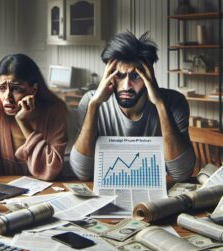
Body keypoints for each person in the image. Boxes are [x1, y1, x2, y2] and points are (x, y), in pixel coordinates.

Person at [70, 31, 195, 181]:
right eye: (119, 75)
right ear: (107, 76)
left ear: (149, 76)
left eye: (135, 76)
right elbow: (82, 173)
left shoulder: (174, 102)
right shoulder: (90, 101)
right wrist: (94, 106)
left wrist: (160, 104)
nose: (126, 86)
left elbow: (181, 173)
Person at [0, 54, 68, 181]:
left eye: (16, 89)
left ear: (33, 89)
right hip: (2, 192)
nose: (7, 97)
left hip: (45, 191)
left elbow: (51, 170)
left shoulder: (54, 111)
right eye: (2, 88)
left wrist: (23, 121)